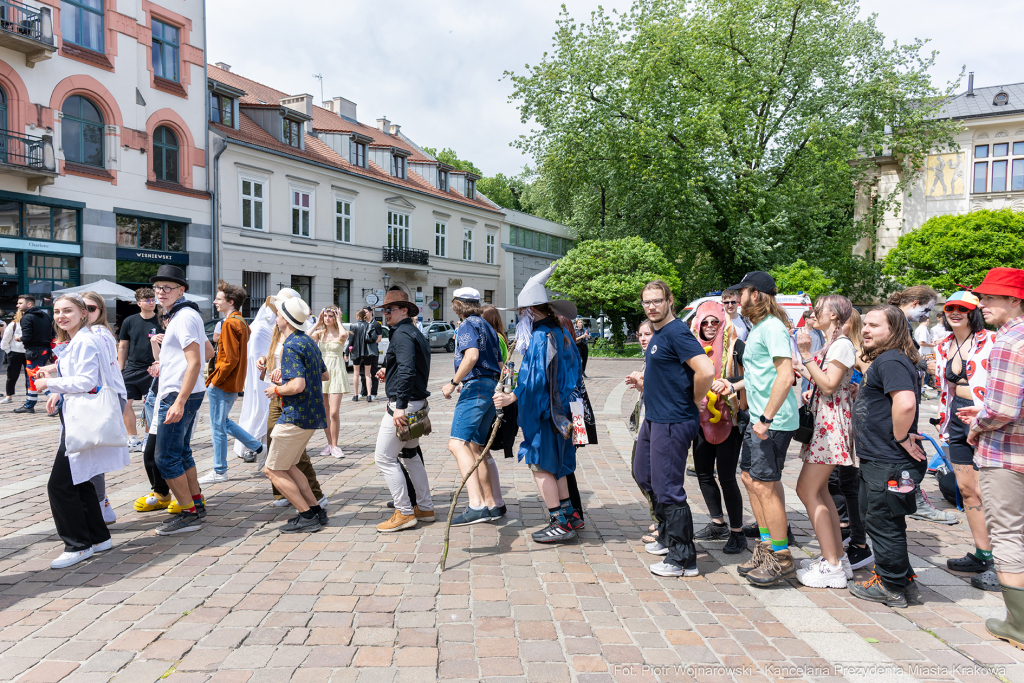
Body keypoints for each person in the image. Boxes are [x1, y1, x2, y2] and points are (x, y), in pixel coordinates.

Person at [713, 271, 798, 587]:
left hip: (771, 421)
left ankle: (781, 558)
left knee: (764, 486)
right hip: (758, 418)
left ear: (757, 295)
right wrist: (735, 386)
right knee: (750, 479)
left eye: (742, 292)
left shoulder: (772, 327)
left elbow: (785, 376)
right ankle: (765, 547)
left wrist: (766, 419)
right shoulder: (760, 327)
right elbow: (761, 374)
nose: (737, 298)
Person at [624, 280, 713, 576]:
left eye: (657, 301)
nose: (651, 306)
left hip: (674, 420)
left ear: (669, 301)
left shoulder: (676, 332)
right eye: (647, 302)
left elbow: (706, 371)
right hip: (655, 418)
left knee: (668, 488)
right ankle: (666, 536)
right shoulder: (659, 333)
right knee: (644, 474)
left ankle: (683, 558)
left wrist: (695, 399)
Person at [36, 293, 129, 569]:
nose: (61, 316)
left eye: (68, 311)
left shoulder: (86, 340)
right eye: (57, 312)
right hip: (78, 416)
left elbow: (88, 380)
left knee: (59, 485)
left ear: (83, 313)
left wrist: (50, 384)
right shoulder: (79, 339)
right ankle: (98, 537)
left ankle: (77, 544)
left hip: (82, 417)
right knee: (80, 478)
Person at [959, 268, 1024, 647]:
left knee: (1009, 535)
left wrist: (978, 423)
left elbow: (1002, 409)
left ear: (1014, 300)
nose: (981, 303)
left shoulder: (1008, 340)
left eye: (989, 297)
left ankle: (1018, 625)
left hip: (1006, 453)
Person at [494, 263, 582, 544]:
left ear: (531, 311)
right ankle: (570, 516)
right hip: (563, 411)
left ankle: (559, 522)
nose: (520, 317)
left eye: (521, 312)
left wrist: (512, 396)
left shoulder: (542, 337)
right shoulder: (561, 332)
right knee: (559, 465)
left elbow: (535, 378)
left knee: (540, 465)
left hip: (547, 413)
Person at [847, 305, 925, 609]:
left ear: (894, 330)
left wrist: (902, 436)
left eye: (874, 325)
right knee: (882, 520)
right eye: (865, 324)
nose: (866, 330)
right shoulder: (889, 359)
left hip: (889, 461)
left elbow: (905, 404)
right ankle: (903, 581)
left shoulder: (892, 360)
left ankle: (891, 586)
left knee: (884, 522)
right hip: (880, 459)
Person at [934, 290, 998, 591]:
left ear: (975, 312)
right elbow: (944, 388)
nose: (955, 313)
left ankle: (1006, 561)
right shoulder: (943, 344)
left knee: (992, 492)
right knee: (967, 489)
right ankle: (983, 554)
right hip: (956, 418)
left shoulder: (993, 341)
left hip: (987, 419)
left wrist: (985, 416)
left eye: (963, 308)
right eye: (950, 308)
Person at [791, 295, 857, 589]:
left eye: (820, 308)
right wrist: (801, 365)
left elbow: (829, 385)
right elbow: (823, 380)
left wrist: (806, 355)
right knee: (820, 491)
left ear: (834, 315)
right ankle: (837, 557)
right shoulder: (833, 344)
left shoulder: (841, 344)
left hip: (830, 424)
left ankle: (832, 566)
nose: (814, 312)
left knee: (806, 490)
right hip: (825, 421)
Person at [261, 296, 329, 534]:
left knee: (272, 470)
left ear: (287, 320)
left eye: (279, 314)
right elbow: (324, 375)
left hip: (295, 415)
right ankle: (316, 510)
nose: (276, 317)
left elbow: (298, 385)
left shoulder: (290, 345)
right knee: (289, 465)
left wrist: (276, 389)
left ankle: (306, 515)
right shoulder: (308, 341)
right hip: (311, 414)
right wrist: (289, 377)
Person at [148, 265, 208, 535]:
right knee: (181, 452)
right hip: (185, 390)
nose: (161, 292)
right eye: (157, 288)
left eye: (167, 288)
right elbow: (207, 350)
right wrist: (168, 359)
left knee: (165, 458)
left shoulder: (183, 317)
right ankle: (196, 504)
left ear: (181, 290)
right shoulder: (185, 314)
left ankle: (188, 514)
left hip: (178, 393)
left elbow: (195, 362)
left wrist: (180, 401)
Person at [372, 288, 435, 532]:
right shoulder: (413, 332)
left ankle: (405, 512)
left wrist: (399, 407)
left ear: (405, 311)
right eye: (384, 310)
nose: (386, 314)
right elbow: (409, 367)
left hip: (404, 405)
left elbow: (408, 371)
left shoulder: (402, 334)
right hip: (415, 402)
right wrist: (389, 371)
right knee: (411, 456)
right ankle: (425, 507)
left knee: (384, 458)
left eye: (390, 309)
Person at [688, 302, 748, 556]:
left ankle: (737, 532)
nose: (710, 326)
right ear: (698, 323)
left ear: (722, 322)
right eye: (705, 322)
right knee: (703, 473)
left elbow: (755, 375)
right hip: (700, 420)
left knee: (727, 477)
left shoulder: (737, 347)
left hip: (729, 419)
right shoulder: (691, 346)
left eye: (715, 321)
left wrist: (729, 383)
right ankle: (717, 524)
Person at [441, 288, 505, 525]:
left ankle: (477, 505)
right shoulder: (487, 325)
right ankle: (491, 504)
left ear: (457, 305)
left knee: (457, 443)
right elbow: (500, 363)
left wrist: (453, 382)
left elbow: (472, 356)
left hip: (477, 387)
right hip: (490, 386)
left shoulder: (467, 324)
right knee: (477, 448)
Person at [199, 281, 264, 484]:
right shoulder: (241, 322)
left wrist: (214, 381)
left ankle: (220, 470)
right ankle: (259, 448)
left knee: (218, 427)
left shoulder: (230, 323)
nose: (215, 301)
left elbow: (229, 359)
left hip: (223, 382)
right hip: (232, 382)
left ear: (231, 301)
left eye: (219, 299)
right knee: (222, 423)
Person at [830, 308, 873, 572]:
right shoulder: (850, 349)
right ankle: (853, 536)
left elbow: (871, 380)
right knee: (844, 482)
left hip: (857, 425)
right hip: (849, 420)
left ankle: (859, 542)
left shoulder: (857, 352)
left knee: (850, 483)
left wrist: (858, 389)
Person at [235, 289, 301, 463]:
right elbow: (263, 355)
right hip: (268, 381)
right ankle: (257, 446)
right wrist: (264, 361)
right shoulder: (267, 328)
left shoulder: (291, 333)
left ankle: (272, 450)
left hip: (283, 381)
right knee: (261, 410)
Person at [79, 292, 127, 525]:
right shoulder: (93, 333)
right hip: (100, 396)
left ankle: (98, 512)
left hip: (100, 398)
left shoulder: (97, 333)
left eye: (91, 308)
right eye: (82, 307)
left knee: (91, 458)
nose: (86, 312)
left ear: (100, 310)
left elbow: (90, 370)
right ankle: (103, 509)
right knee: (90, 457)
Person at [118, 288, 160, 452]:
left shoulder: (161, 320)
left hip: (153, 369)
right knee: (124, 403)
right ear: (139, 303)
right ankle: (133, 439)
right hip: (132, 368)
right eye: (147, 300)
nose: (151, 302)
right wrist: (120, 369)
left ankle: (148, 438)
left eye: (153, 299)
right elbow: (123, 346)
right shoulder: (129, 321)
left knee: (151, 405)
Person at [628, 320, 658, 541]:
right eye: (640, 335)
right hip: (646, 421)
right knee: (639, 471)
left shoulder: (659, 357)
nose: (643, 338)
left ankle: (661, 521)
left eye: (648, 334)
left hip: (657, 423)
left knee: (650, 474)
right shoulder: (649, 358)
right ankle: (658, 516)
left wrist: (644, 381)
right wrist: (641, 385)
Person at [310, 306, 349, 458]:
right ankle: (329, 444)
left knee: (334, 412)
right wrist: (317, 323)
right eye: (325, 316)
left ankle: (335, 445)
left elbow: (344, 334)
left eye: (330, 316)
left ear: (336, 317)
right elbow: (306, 337)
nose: (327, 318)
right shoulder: (320, 333)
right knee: (325, 412)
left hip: (337, 372)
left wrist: (339, 320)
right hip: (322, 373)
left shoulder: (341, 333)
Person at [13, 294, 53, 414]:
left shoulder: (26, 317)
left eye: (20, 303)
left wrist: (18, 338)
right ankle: (29, 404)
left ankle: (56, 401)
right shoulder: (46, 316)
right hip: (45, 350)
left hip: (34, 352)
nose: (17, 305)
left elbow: (27, 337)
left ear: (29, 304)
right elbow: (52, 333)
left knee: (35, 376)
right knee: (32, 377)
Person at [352, 308, 382, 401]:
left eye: (366, 311)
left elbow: (379, 338)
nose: (365, 313)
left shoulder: (376, 324)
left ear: (370, 312)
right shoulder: (368, 325)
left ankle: (372, 393)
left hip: (369, 351)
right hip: (365, 352)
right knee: (364, 374)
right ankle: (365, 393)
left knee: (372, 373)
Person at [1, 307, 25, 404]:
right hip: (15, 352)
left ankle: (31, 395)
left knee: (30, 375)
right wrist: (9, 352)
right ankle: (9, 396)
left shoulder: (32, 325)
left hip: (28, 353)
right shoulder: (13, 325)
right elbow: (5, 340)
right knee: (12, 375)